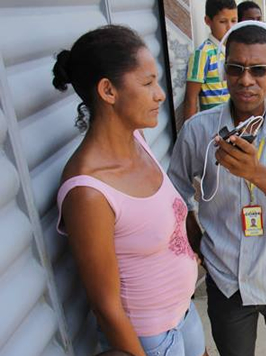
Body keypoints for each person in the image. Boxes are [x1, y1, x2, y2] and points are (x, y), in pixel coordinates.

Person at [168, 21, 266, 356]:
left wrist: (256, 174)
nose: (246, 80)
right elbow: (174, 195)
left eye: (258, 69)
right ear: (224, 70)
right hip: (226, 282)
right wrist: (194, 236)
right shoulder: (198, 131)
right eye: (236, 68)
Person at [53, 25, 206, 356]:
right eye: (148, 82)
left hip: (184, 315)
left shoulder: (138, 140)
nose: (160, 94)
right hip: (149, 341)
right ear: (108, 90)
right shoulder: (89, 192)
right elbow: (106, 307)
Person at [183, 0, 237, 120]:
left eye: (234, 21)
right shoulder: (203, 54)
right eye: (223, 21)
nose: (230, 27)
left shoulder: (234, 51)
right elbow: (191, 99)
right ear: (208, 21)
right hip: (212, 126)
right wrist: (190, 133)